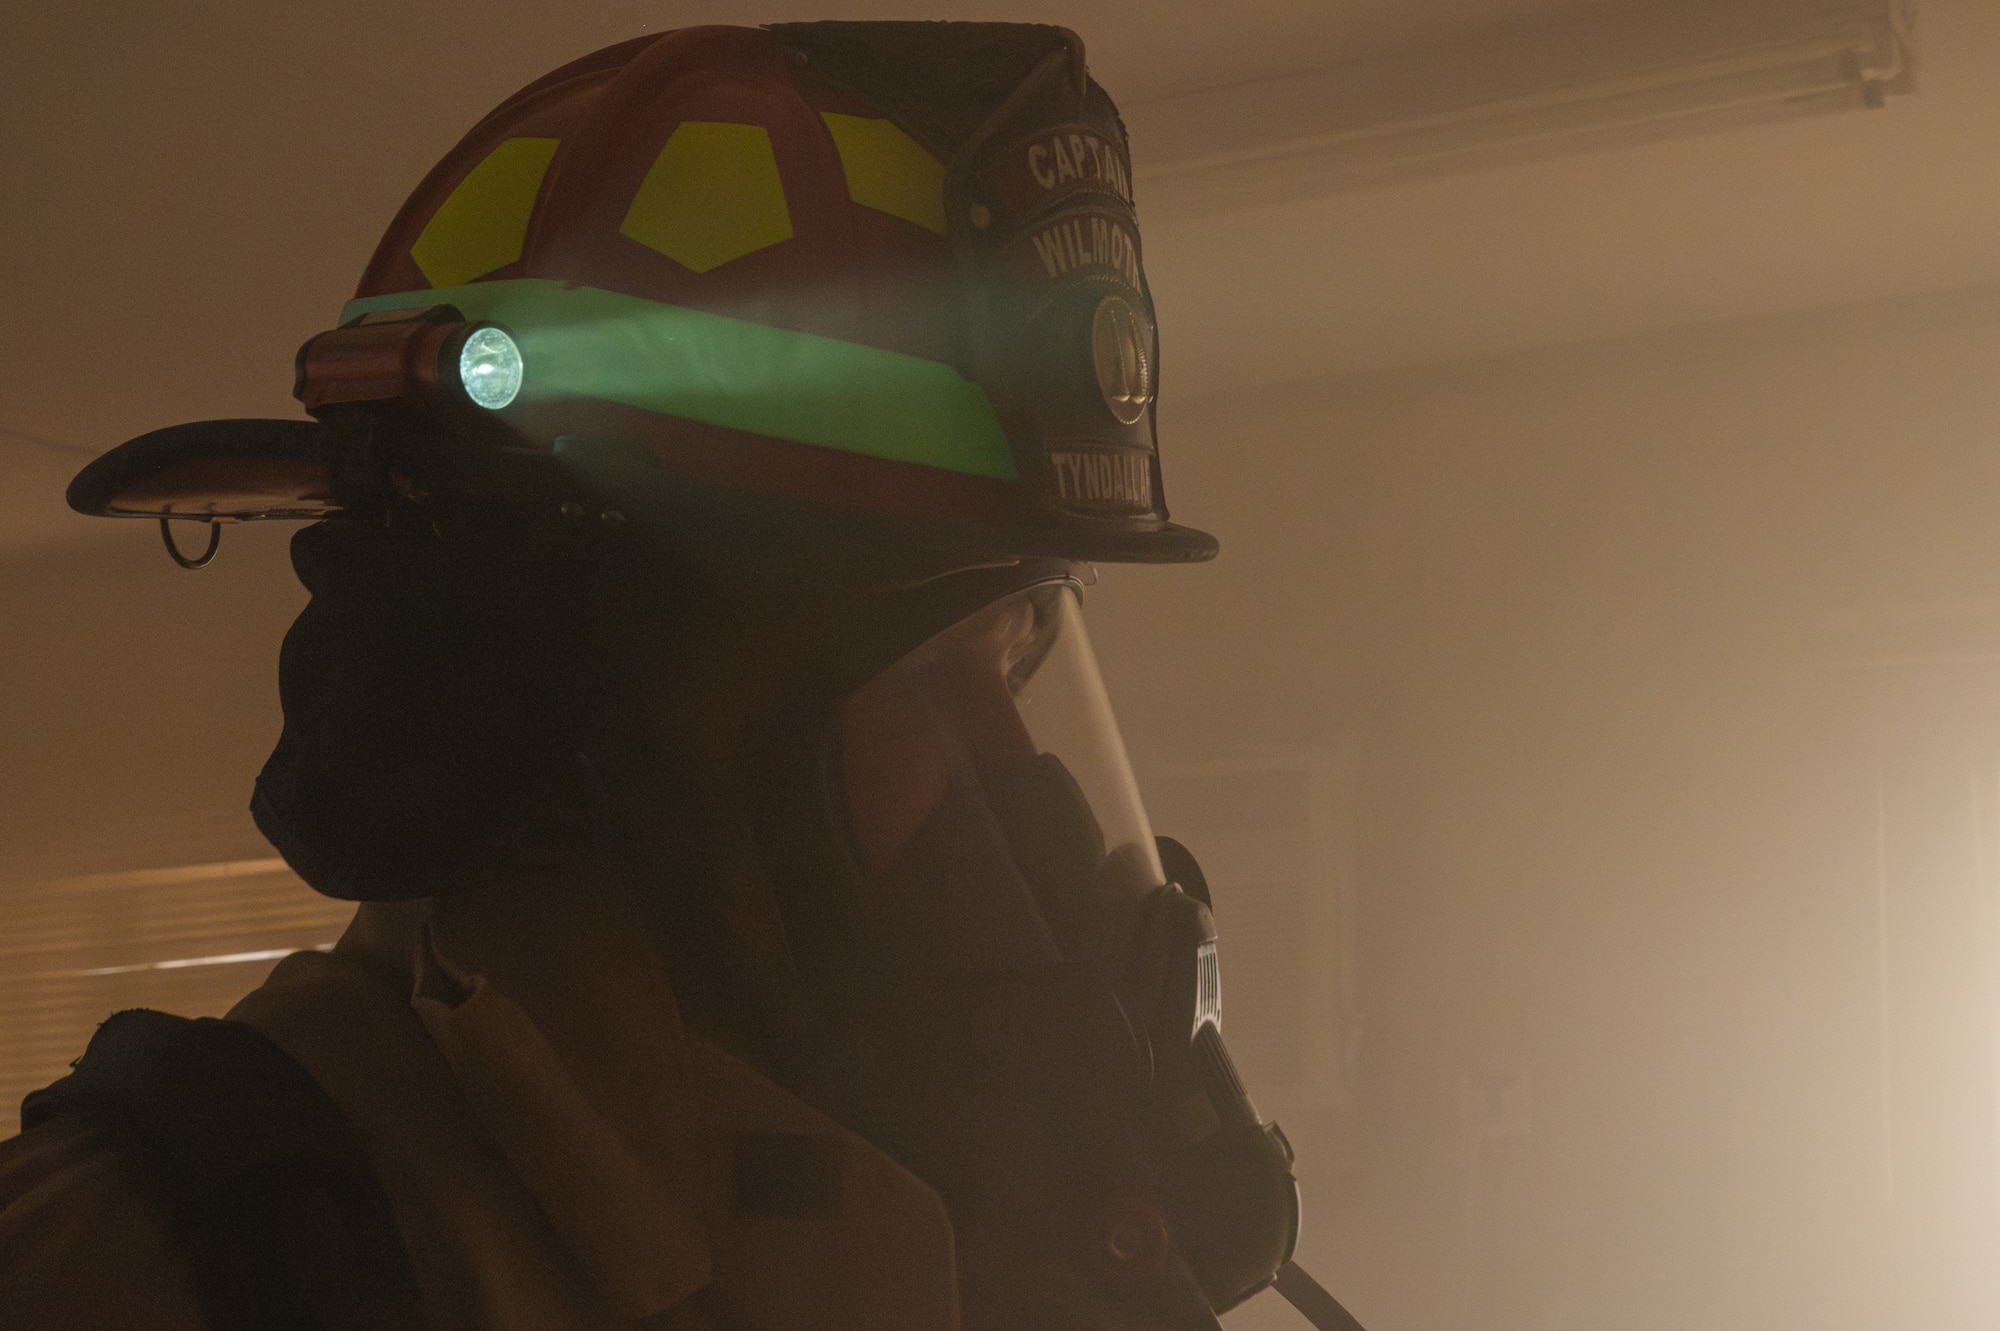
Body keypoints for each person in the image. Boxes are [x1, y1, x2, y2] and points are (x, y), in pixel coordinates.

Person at [0, 22, 1345, 1331]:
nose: (1017, 785)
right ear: (628, 756)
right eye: (929, 685)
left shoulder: (910, 1215)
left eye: (1024, 665)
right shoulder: (151, 1271)